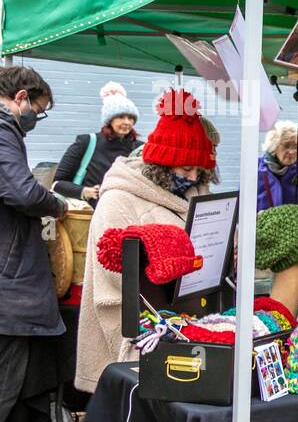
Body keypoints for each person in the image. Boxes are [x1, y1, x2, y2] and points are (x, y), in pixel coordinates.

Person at [76, 89, 215, 392]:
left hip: (183, 323)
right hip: (136, 333)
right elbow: (114, 271)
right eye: (185, 169)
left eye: (198, 170)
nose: (192, 178)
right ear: (161, 166)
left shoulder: (193, 192)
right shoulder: (119, 199)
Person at [0, 66, 69, 422]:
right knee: (8, 379)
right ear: (21, 98)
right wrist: (57, 204)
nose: (34, 121)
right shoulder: (4, 131)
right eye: (37, 112)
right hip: (9, 283)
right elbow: (22, 191)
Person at [51, 82, 140, 205]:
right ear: (109, 120)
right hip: (92, 215)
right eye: (121, 117)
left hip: (128, 212)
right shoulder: (87, 142)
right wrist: (86, 191)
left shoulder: (140, 148)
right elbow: (57, 184)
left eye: (131, 118)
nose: (127, 122)